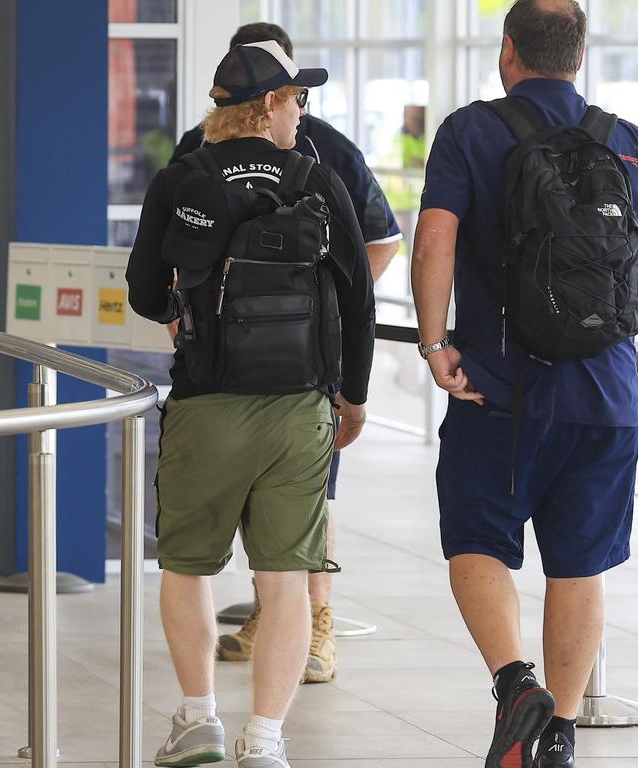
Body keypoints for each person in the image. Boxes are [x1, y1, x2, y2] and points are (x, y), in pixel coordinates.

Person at [128, 41, 374, 768]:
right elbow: (358, 299)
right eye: (296, 98)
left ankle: (198, 719)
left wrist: (181, 306)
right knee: (286, 577)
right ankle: (264, 740)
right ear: (267, 104)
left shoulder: (181, 179)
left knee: (187, 567)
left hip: (206, 402)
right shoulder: (315, 179)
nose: (302, 110)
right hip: (299, 409)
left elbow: (145, 293)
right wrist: (351, 397)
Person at [411, 2, 638, 767]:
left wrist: (436, 343)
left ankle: (516, 689)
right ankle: (561, 739)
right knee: (580, 565)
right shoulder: (625, 143)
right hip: (609, 395)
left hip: (500, 391)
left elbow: (434, 236)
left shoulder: (473, 131)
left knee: (478, 541)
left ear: (508, 50)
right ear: (578, 53)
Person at [180, 22, 401, 683]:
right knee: (255, 495)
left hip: (301, 362)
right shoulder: (196, 151)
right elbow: (172, 260)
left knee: (309, 499)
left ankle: (317, 621)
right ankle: (272, 617)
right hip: (225, 364)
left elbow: (381, 243)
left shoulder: (328, 151)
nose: (296, 102)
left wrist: (324, 310)